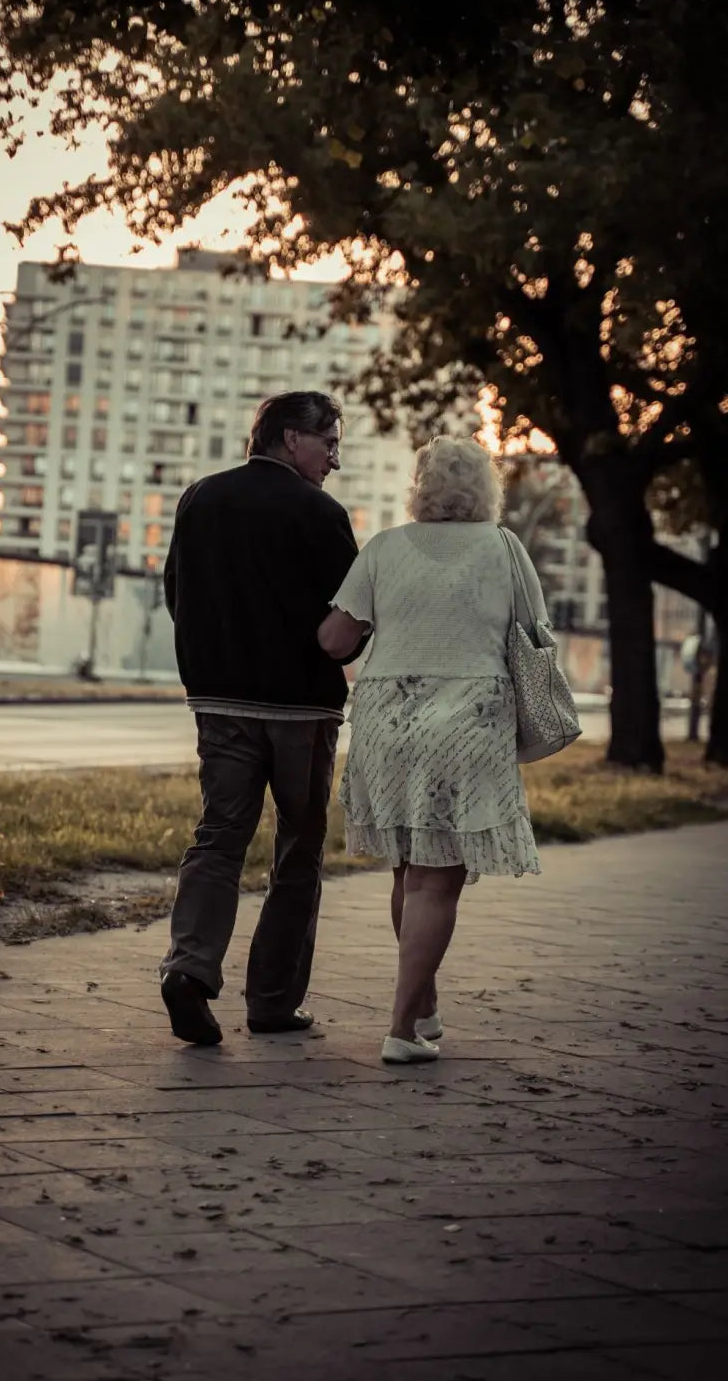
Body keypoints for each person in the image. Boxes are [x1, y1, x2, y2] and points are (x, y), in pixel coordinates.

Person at [318, 436, 546, 1064]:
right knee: (434, 884)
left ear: (419, 487)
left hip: (388, 719)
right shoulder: (503, 548)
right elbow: (535, 634)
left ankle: (425, 1004)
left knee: (409, 868)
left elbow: (336, 639)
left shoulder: (386, 547)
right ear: (486, 488)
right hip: (469, 720)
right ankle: (400, 1030)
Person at [159, 391, 364, 1046]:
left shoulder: (200, 498)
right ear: (287, 437)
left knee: (219, 833)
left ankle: (189, 969)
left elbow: (176, 591)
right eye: (328, 441)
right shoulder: (321, 514)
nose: (335, 457)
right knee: (298, 846)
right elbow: (346, 621)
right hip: (302, 708)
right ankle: (273, 1000)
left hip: (219, 702)